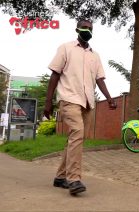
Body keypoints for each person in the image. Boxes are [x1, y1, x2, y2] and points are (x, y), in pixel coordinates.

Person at [43, 19, 117, 195]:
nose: (87, 30)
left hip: (87, 102)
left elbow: (99, 79)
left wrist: (109, 98)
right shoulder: (66, 48)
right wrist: (48, 101)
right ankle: (74, 179)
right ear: (77, 28)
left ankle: (60, 177)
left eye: (91, 28)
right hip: (69, 98)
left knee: (75, 138)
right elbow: (55, 74)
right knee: (78, 132)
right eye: (84, 27)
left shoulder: (95, 55)